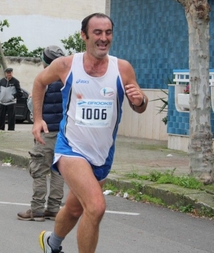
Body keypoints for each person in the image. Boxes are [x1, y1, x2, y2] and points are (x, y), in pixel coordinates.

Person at [32, 13, 148, 253]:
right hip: (71, 149)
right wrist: (37, 119)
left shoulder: (122, 68)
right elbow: (39, 82)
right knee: (95, 207)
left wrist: (140, 100)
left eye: (108, 33)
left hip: (102, 155)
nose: (103, 38)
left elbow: (140, 106)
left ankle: (51, 243)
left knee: (75, 209)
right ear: (84, 36)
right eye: (97, 33)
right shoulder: (66, 65)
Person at [17, 46, 65, 222]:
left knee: (39, 170)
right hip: (63, 135)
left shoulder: (43, 81)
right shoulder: (67, 81)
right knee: (58, 171)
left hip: (45, 133)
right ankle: (53, 208)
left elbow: (33, 108)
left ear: (45, 61)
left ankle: (36, 209)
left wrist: (32, 98)